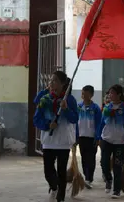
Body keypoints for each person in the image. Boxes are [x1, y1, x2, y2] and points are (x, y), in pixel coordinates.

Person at [33, 71, 79, 202]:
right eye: (51, 80)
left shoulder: (69, 100)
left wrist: (66, 109)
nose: (52, 83)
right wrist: (47, 125)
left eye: (55, 81)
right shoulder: (45, 99)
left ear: (63, 84)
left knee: (61, 171)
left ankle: (60, 197)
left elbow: (74, 119)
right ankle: (54, 187)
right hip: (48, 140)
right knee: (48, 171)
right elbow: (36, 120)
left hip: (63, 141)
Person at [97, 84, 124, 198]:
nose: (110, 95)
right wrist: (98, 137)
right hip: (106, 139)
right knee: (104, 162)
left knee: (117, 166)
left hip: (120, 142)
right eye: (109, 93)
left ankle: (116, 190)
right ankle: (108, 179)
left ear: (119, 94)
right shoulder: (107, 107)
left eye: (112, 93)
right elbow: (102, 123)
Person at [77, 85, 102, 189]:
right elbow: (75, 122)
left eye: (86, 94)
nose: (83, 96)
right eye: (82, 93)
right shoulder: (78, 106)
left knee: (91, 158)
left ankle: (89, 178)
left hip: (92, 138)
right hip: (81, 136)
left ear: (91, 95)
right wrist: (75, 136)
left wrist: (97, 137)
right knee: (83, 157)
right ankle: (85, 176)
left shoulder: (95, 108)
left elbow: (99, 124)